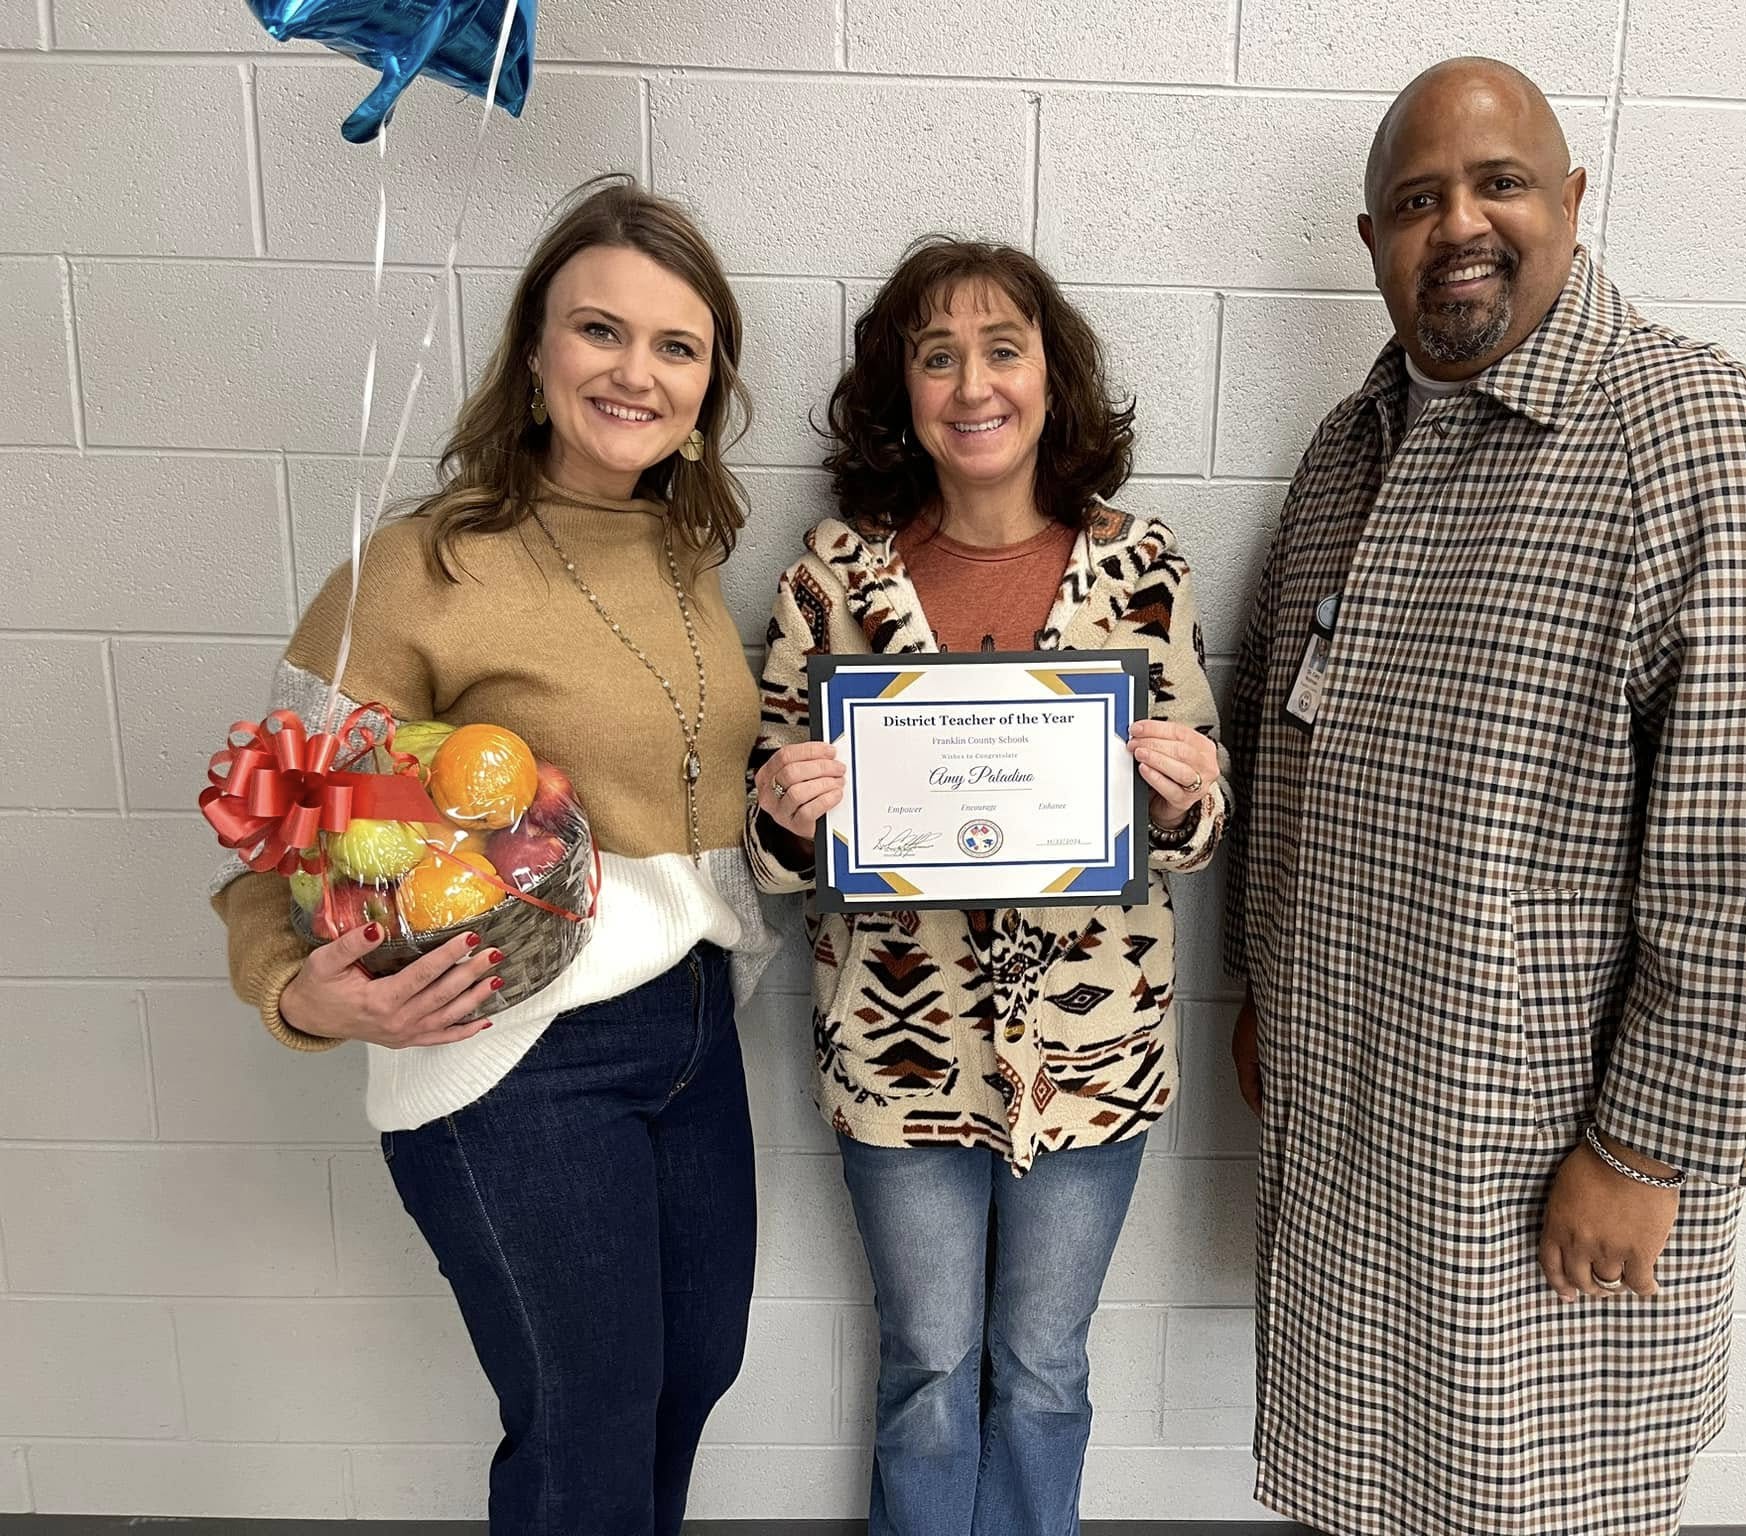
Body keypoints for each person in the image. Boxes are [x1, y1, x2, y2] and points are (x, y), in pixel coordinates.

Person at [1224, 58, 1746, 1536]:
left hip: (1554, 1166)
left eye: (1498, 182)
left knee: (1538, 1494)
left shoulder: (1703, 453)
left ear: (1574, 203)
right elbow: (1280, 736)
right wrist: (1268, 981)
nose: (1458, 222)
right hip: (1355, 1117)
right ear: (1374, 239)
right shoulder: (1351, 453)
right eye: (1415, 200)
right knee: (1369, 1486)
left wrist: (1652, 1150)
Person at [211, 177, 779, 1534]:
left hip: (696, 1027)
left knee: (689, 1379)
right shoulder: (418, 567)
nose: (636, 372)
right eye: (600, 331)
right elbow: (268, 833)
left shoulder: (691, 554)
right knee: (584, 1427)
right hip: (515, 1051)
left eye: (677, 346)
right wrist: (297, 992)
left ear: (709, 386)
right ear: (534, 352)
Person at [746, 237, 1229, 1536]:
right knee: (927, 1371)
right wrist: (790, 814)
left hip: (1094, 1044)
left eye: (1002, 348)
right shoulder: (832, 576)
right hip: (900, 1055)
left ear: (1049, 378)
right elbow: (769, 845)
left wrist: (1187, 791)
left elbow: (1200, 809)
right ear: (899, 389)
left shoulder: (1140, 568)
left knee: (1044, 1371)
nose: (973, 382)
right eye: (936, 352)